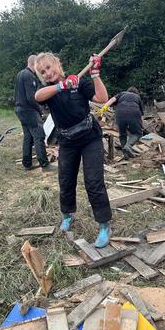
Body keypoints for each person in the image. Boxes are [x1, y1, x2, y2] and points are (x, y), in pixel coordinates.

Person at [34, 53, 112, 248]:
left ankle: (104, 225)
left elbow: (102, 99)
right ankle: (67, 215)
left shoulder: (79, 82)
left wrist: (94, 74)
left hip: (89, 138)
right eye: (43, 72)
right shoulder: (50, 91)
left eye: (49, 67)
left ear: (58, 65)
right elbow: (37, 97)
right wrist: (61, 86)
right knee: (66, 180)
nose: (47, 73)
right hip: (67, 141)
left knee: (93, 182)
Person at [14, 55, 55, 172]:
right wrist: (40, 109)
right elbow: (32, 98)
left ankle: (27, 164)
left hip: (19, 109)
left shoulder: (20, 74)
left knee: (28, 137)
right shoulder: (29, 75)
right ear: (34, 64)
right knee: (39, 136)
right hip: (29, 111)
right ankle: (45, 165)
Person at [98, 86, 144, 159]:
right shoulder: (137, 97)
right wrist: (140, 125)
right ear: (136, 93)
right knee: (137, 133)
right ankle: (127, 146)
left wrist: (104, 108)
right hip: (134, 112)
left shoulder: (122, 94)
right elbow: (141, 115)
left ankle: (126, 155)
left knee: (122, 134)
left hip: (120, 113)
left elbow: (112, 100)